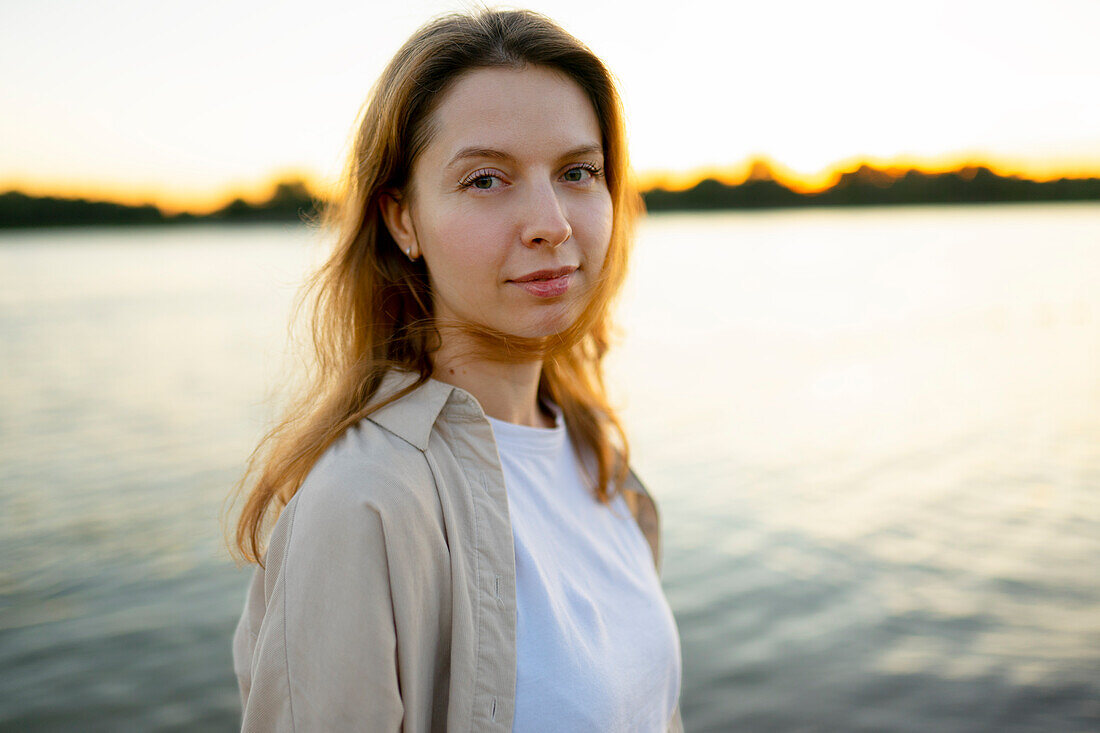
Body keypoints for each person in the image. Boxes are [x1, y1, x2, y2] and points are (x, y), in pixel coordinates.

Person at [228, 7, 683, 732]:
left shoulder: (595, 454)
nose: (551, 221)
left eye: (577, 171)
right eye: (485, 180)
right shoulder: (363, 506)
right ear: (402, 219)